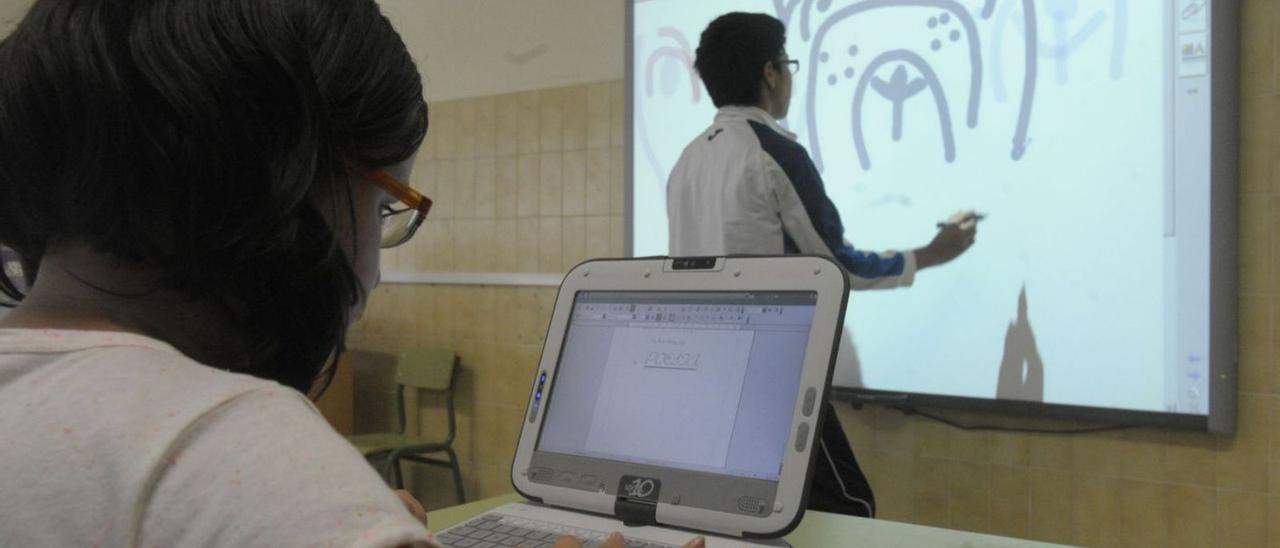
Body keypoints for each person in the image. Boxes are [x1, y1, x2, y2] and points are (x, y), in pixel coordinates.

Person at [0, 2, 697, 547]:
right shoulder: (235, 441)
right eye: (387, 203)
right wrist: (298, 497)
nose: (375, 276)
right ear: (285, 185)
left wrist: (325, 513)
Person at [666, 12, 978, 518]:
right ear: (770, 73)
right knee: (851, 507)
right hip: (771, 378)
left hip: (704, 376)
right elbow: (835, 265)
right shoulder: (773, 151)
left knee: (747, 514)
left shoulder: (686, 160)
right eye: (787, 65)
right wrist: (930, 253)